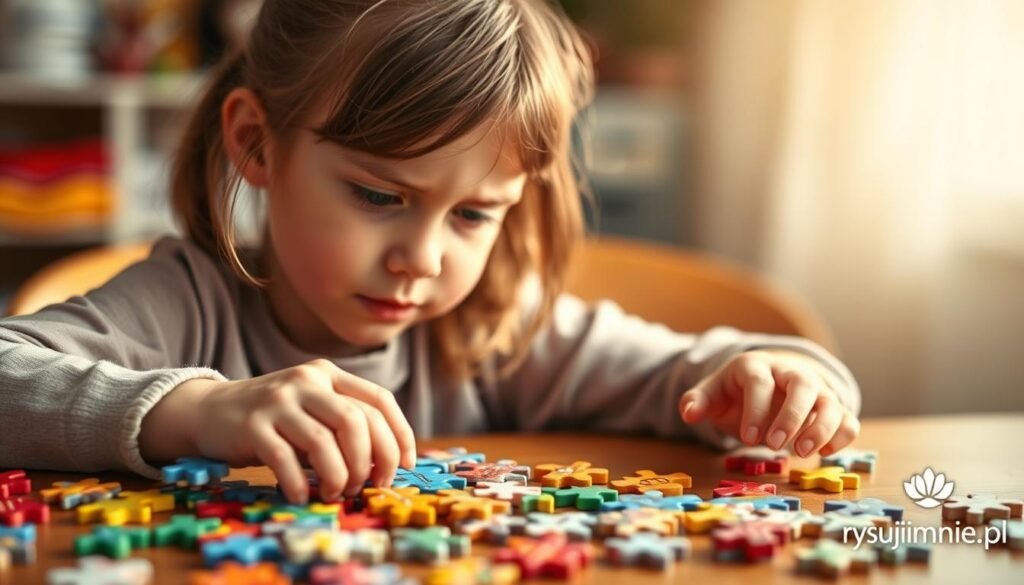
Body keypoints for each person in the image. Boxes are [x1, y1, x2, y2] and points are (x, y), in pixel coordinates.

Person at [0, 0, 861, 505]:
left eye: (474, 215)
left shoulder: (497, 331)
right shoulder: (185, 303)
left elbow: (698, 375)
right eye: (379, 196)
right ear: (258, 145)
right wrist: (192, 411)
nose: (421, 257)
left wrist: (781, 373)